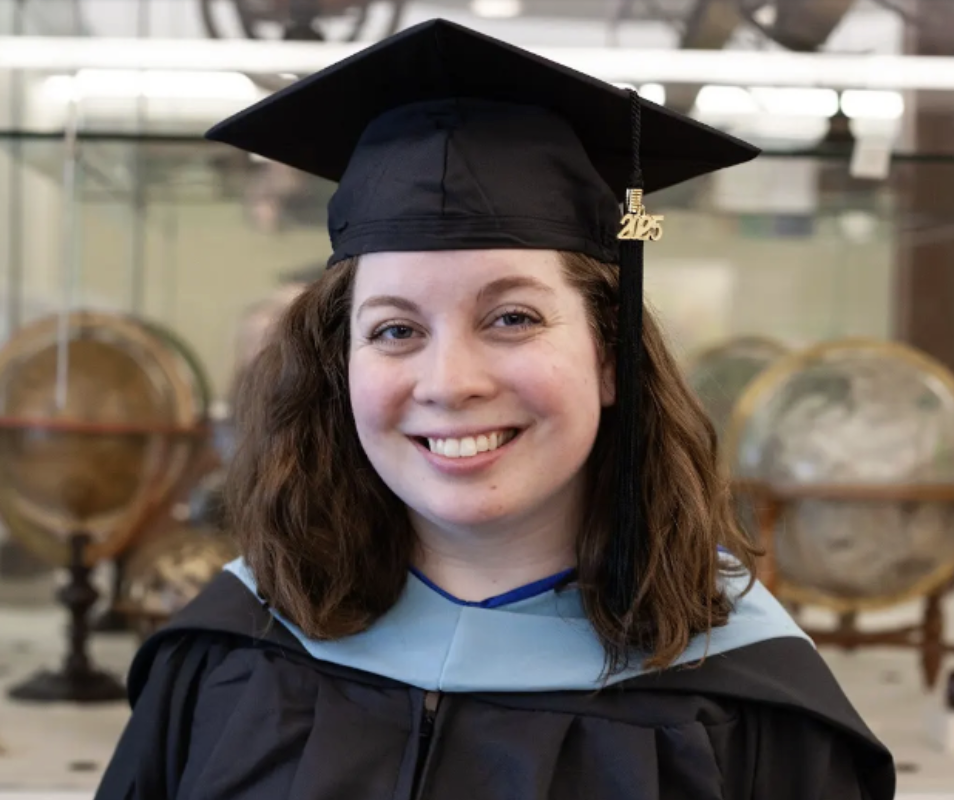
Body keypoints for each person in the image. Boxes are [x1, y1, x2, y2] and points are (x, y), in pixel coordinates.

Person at [95, 19, 895, 800]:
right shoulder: (229, 650)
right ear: (341, 369)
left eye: (512, 318)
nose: (450, 382)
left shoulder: (749, 704)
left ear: (609, 356)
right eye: (396, 329)